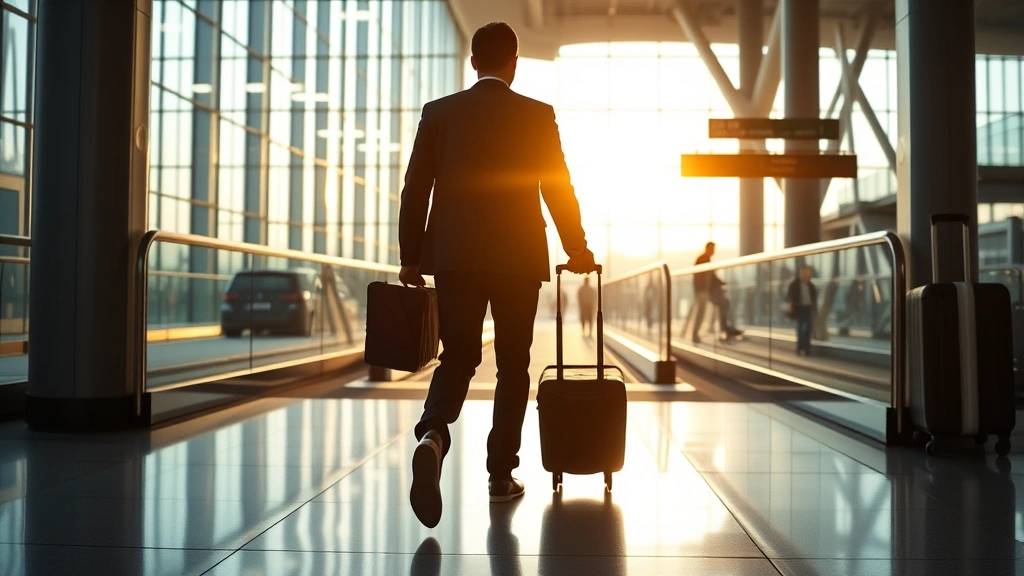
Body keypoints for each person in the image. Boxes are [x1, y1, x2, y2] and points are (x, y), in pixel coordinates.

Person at [398, 22, 597, 529]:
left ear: (472, 62)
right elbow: (558, 186)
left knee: (459, 356)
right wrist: (576, 247)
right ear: (513, 63)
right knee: (512, 364)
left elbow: (415, 189)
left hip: (454, 258)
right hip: (515, 258)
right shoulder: (536, 114)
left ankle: (433, 437)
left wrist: (410, 257)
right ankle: (500, 475)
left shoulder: (439, 113)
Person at [691, 242, 742, 344]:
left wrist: (720, 284)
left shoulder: (706, 259)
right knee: (702, 312)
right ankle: (696, 334)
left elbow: (711, 277)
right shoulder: (703, 259)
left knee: (723, 304)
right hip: (703, 291)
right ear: (708, 248)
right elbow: (703, 276)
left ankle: (724, 329)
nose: (714, 251)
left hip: (706, 291)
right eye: (712, 249)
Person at [787, 264, 817, 356]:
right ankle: (800, 348)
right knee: (801, 329)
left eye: (807, 272)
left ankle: (807, 348)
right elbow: (790, 295)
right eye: (803, 272)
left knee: (807, 329)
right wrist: (793, 304)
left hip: (808, 308)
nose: (805, 274)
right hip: (799, 308)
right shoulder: (795, 284)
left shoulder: (811, 285)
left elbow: (814, 297)